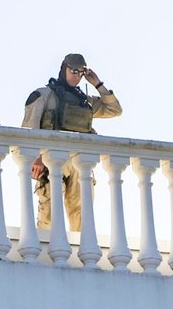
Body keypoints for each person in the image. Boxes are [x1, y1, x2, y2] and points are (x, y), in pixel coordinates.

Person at [22, 53, 123, 231]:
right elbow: (29, 130)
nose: (76, 76)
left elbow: (114, 110)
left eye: (80, 73)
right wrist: (36, 158)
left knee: (82, 216)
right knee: (49, 214)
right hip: (51, 161)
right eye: (73, 71)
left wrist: (97, 84)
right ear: (64, 69)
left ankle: (80, 256)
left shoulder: (85, 102)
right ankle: (43, 257)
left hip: (79, 163)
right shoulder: (44, 95)